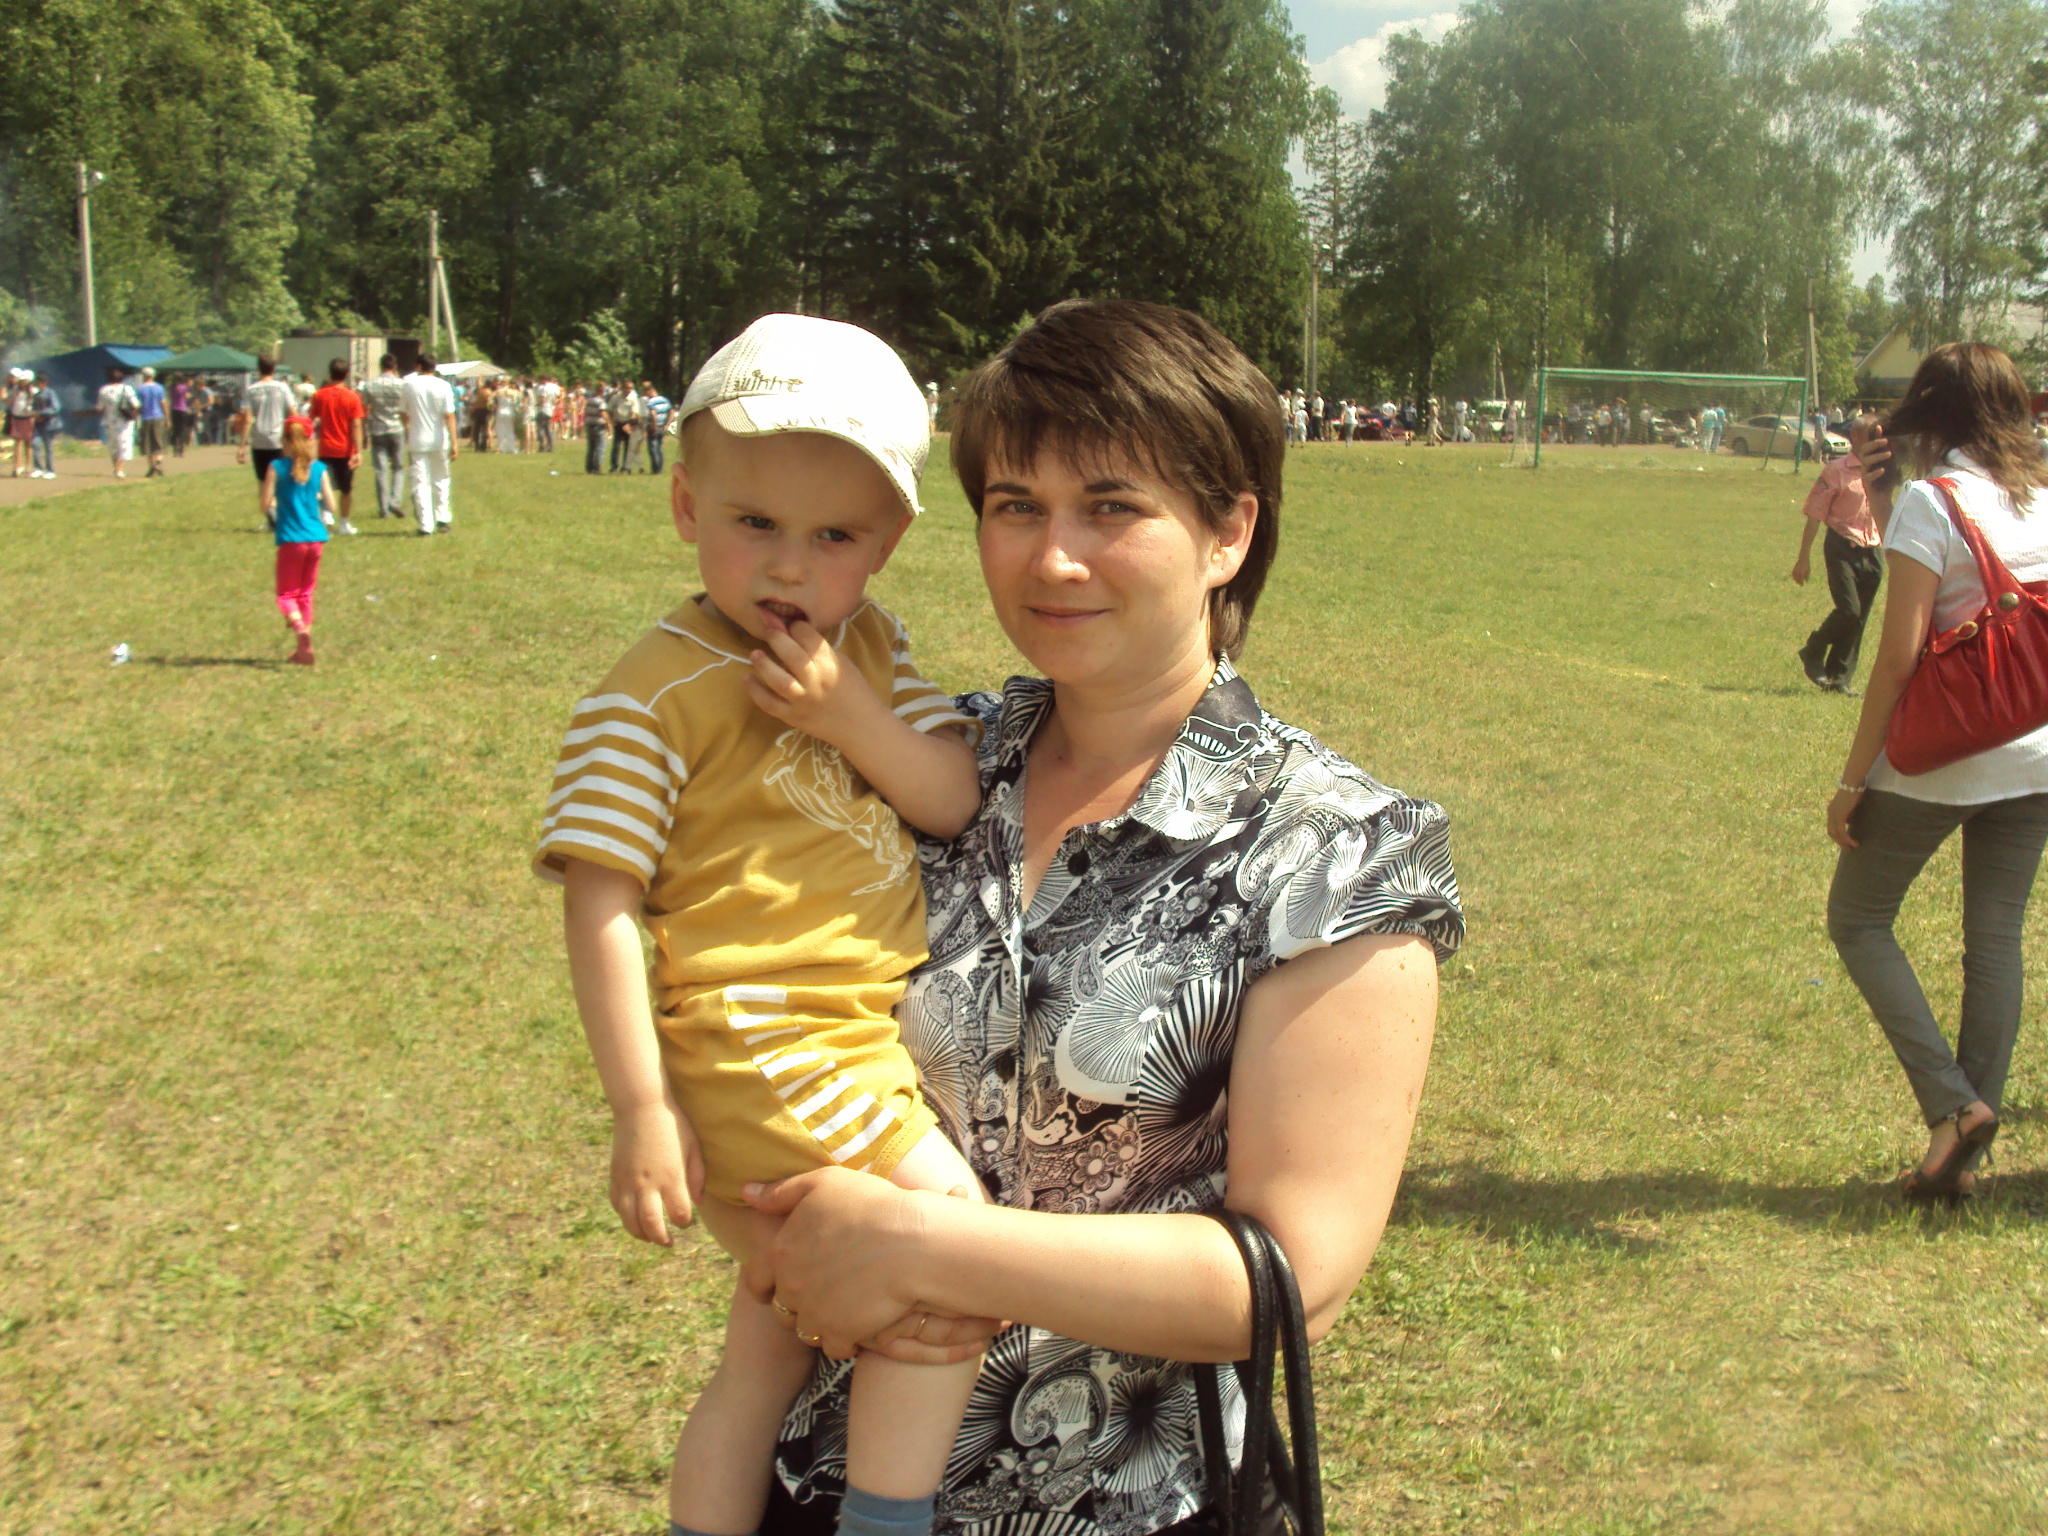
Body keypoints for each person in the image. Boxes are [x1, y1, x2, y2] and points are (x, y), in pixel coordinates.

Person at [728, 299, 1460, 1536]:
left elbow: (1293, 1276)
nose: (1051, 559)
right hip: (817, 1484)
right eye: (1015, 505)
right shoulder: (910, 763)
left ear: (1228, 533)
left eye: (1111, 508)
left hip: (1126, 1506)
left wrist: (921, 1249)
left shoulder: (1334, 850)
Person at [535, 315, 991, 1536]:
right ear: (685, 505)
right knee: (952, 1251)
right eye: (754, 524)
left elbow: (948, 797)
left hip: (847, 1038)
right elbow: (600, 901)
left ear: (886, 543)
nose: (789, 568)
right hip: (763, 1032)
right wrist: (641, 1105)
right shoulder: (651, 696)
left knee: (763, 1352)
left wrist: (850, 717)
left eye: (833, 536)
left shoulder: (872, 650)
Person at [1826, 343, 2048, 1205]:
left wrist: (1853, 781)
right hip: (2034, 748)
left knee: (1858, 919)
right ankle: (1961, 1149)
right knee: (1995, 939)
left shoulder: (1934, 498)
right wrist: (1886, 497)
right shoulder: (2037, 493)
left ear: (1933, 412)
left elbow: (1897, 658)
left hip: (1944, 754)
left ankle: (1953, 1107)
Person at [1793, 415, 1883, 693]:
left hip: (1873, 548)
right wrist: (1803, 558)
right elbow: (1815, 513)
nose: (1879, 442)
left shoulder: (1881, 472)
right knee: (1849, 610)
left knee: (1860, 617)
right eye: (1872, 436)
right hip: (1842, 546)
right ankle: (1813, 649)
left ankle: (1839, 678)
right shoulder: (1836, 470)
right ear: (1856, 437)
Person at [262, 415, 336, 666]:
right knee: (305, 594)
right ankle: (304, 648)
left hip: (291, 539)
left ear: (284, 440)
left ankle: (299, 628)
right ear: (310, 440)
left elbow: (264, 505)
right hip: (316, 538)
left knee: (286, 595)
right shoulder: (319, 469)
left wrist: (276, 500)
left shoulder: (276, 467)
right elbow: (332, 505)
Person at [401, 352, 458, 535]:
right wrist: (455, 442)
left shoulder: (409, 385)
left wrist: (408, 428)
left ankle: (425, 524)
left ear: (418, 366)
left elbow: (403, 412)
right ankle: (443, 517)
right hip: (439, 439)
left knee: (420, 482)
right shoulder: (444, 386)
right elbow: (449, 415)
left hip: (417, 439)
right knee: (441, 479)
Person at [236, 356, 297, 525]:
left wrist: (241, 447)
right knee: (282, 479)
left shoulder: (251, 390)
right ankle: (281, 516)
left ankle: (271, 515)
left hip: (259, 441)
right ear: (274, 368)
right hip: (279, 440)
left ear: (258, 369)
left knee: (263, 481)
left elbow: (247, 420)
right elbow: (293, 414)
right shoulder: (282, 388)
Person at [309, 358, 366, 536]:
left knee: (323, 486)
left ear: (330, 373)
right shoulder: (352, 396)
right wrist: (358, 451)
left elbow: (311, 418)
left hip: (325, 447)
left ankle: (325, 516)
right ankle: (344, 523)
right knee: (346, 489)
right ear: (347, 374)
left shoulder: (320, 395)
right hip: (345, 449)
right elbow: (356, 424)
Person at [361, 352, 410, 520]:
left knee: (381, 470)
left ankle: (384, 509)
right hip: (397, 428)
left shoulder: (370, 384)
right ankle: (395, 500)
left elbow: (364, 409)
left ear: (381, 366)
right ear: (394, 366)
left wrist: (364, 433)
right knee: (398, 467)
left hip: (377, 429)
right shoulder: (402, 384)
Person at [97, 366, 139, 478]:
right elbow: (136, 404)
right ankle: (119, 470)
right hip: (124, 422)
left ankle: (116, 468)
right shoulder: (127, 389)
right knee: (124, 445)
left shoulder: (103, 390)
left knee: (113, 446)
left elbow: (100, 408)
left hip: (109, 421)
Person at [134, 366, 169, 477]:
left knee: (147, 443)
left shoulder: (139, 389)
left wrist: (136, 417)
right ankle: (158, 462)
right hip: (158, 417)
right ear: (153, 375)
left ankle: (152, 466)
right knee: (158, 441)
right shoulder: (159, 388)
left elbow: (137, 406)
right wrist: (167, 418)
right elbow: (163, 403)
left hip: (145, 418)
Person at [30, 373, 60, 478]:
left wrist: (41, 413)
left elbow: (55, 408)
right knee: (35, 444)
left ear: (44, 383)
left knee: (48, 447)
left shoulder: (50, 393)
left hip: (49, 424)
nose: (37, 385)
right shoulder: (36, 394)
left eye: (38, 383)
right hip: (38, 424)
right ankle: (38, 468)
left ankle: (50, 470)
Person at [6, 367, 34, 478]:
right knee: (17, 443)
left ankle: (28, 467)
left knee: (28, 443)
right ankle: (16, 467)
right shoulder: (16, 390)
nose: (22, 382)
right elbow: (9, 401)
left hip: (28, 418)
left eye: (24, 380)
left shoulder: (33, 391)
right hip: (17, 418)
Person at [609, 378, 641, 472]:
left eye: (631, 388)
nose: (629, 390)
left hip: (629, 424)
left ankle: (626, 467)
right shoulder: (615, 398)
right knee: (616, 446)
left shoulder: (633, 399)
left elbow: (634, 413)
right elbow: (610, 410)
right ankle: (614, 466)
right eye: (627, 388)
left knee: (628, 447)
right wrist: (612, 421)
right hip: (618, 423)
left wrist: (628, 424)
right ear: (622, 388)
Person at [642, 380, 670, 474]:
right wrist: (667, 424)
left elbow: (653, 414)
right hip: (662, 426)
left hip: (654, 427)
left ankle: (656, 469)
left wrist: (654, 425)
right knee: (659, 447)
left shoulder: (651, 402)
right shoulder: (664, 400)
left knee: (653, 448)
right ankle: (660, 468)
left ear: (649, 391)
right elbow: (671, 411)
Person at [584, 379, 609, 475]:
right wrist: (608, 424)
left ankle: (589, 467)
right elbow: (603, 413)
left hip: (590, 425)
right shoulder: (601, 401)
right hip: (599, 426)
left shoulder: (589, 400)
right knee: (600, 448)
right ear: (602, 390)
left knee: (591, 448)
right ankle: (597, 468)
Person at [169, 374, 194, 456]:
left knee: (175, 429)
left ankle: (175, 448)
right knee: (182, 429)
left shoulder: (171, 387)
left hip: (174, 408)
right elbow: (187, 396)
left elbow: (170, 397)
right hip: (182, 409)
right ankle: (181, 449)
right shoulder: (184, 387)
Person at [495, 376, 521, 454]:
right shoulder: (512, 392)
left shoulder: (499, 391)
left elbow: (495, 402)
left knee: (500, 430)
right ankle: (512, 448)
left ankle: (502, 448)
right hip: (509, 411)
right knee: (510, 430)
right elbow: (515, 403)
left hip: (500, 411)